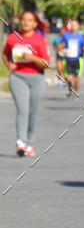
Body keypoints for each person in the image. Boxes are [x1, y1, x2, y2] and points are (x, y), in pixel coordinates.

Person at [2, 10, 51, 157]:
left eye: (30, 20)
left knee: (32, 112)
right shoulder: (13, 38)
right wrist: (8, 65)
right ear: (20, 21)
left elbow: (47, 64)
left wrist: (31, 58)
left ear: (35, 24)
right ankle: (21, 142)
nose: (26, 22)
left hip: (37, 78)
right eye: (24, 19)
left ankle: (29, 142)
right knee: (22, 110)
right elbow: (5, 54)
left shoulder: (40, 40)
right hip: (18, 77)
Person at [58, 18, 84, 97]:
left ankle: (76, 92)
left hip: (77, 59)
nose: (73, 26)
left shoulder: (81, 37)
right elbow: (60, 45)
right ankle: (70, 89)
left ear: (78, 26)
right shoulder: (66, 35)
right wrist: (61, 47)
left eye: (75, 25)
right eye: (72, 24)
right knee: (68, 78)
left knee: (76, 78)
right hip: (67, 59)